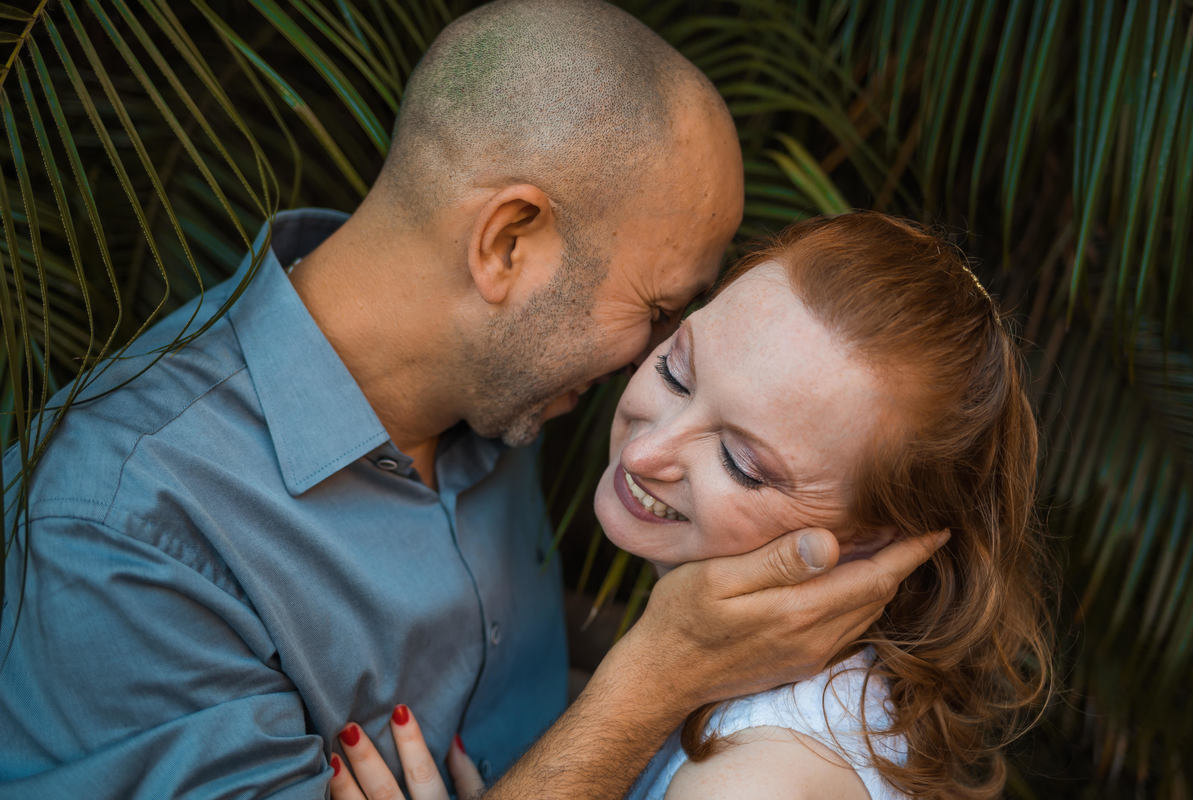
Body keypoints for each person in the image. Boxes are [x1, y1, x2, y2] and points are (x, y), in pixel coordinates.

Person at [0, 2, 945, 799]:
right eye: (657, 311)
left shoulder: (505, 387)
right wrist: (660, 676)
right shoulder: (112, 534)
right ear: (507, 245)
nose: (648, 374)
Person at [329, 212, 1052, 800]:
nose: (646, 453)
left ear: (870, 540)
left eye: (742, 462)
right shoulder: (823, 682)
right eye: (677, 370)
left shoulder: (753, 783)